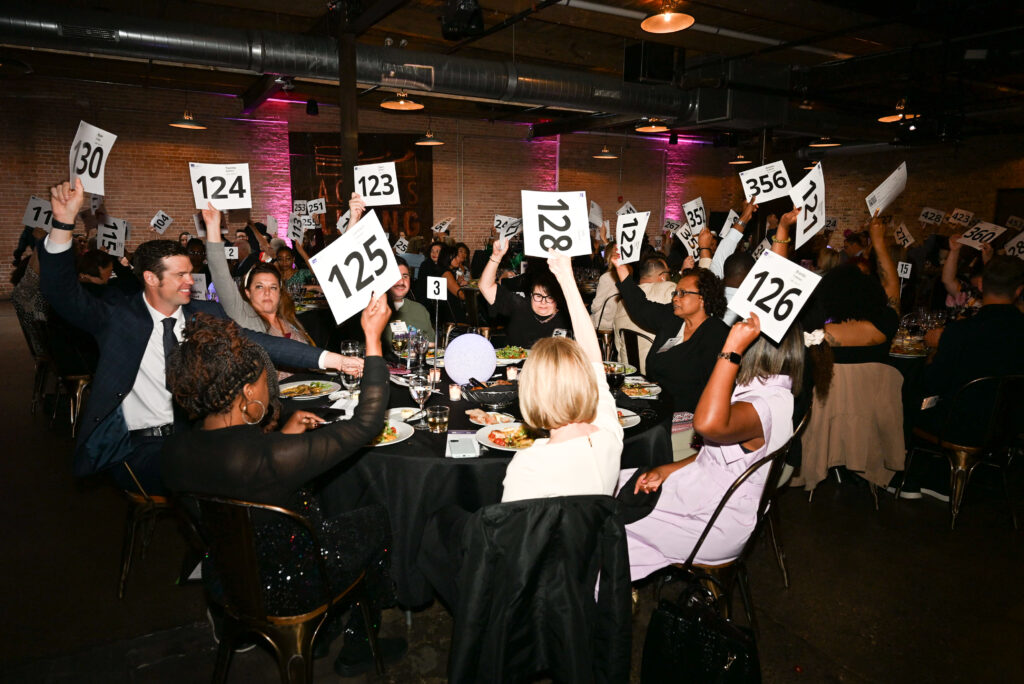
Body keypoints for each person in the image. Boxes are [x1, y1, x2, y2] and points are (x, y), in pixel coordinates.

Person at [37, 180, 360, 495]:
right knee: (248, 472)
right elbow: (62, 293)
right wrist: (64, 222)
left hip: (196, 438)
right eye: (180, 275)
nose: (190, 281)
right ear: (151, 278)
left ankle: (246, 537)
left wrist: (334, 360)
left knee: (268, 460)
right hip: (139, 447)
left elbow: (256, 340)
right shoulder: (118, 317)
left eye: (190, 272)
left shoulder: (203, 313)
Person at [161, 302, 407, 676]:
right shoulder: (270, 457)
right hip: (293, 585)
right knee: (373, 518)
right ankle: (358, 640)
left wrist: (281, 437)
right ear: (246, 394)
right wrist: (373, 337)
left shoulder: (174, 451)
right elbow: (367, 424)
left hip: (227, 580)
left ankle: (323, 634)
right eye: (265, 381)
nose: (270, 387)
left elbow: (242, 464)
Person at [619, 313, 802, 578]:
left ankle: (596, 594)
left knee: (600, 511)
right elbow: (719, 456)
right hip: (708, 497)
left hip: (713, 525)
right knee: (616, 483)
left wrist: (731, 350)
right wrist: (669, 469)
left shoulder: (762, 406)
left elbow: (705, 425)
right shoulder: (770, 391)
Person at [897, 256, 1024, 499]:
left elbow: (933, 383)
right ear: (1018, 290)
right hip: (1008, 425)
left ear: (980, 285)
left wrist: (935, 350)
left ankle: (909, 478)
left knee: (905, 394)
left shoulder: (961, 331)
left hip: (957, 425)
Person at [501, 251, 624, 501]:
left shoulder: (529, 464)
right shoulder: (610, 434)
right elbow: (594, 360)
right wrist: (566, 278)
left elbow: (512, 538)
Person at [613, 254, 729, 459]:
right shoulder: (673, 319)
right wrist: (622, 270)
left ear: (703, 298)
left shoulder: (716, 334)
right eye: (675, 292)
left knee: (631, 441)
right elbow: (641, 307)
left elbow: (717, 392)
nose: (675, 298)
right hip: (655, 407)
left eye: (683, 293)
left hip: (688, 419)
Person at [204, 208, 313, 346]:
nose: (267, 292)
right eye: (259, 286)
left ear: (280, 292)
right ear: (248, 292)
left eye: (273, 287)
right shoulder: (245, 318)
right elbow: (221, 276)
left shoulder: (289, 320)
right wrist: (213, 227)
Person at [479, 238, 572, 348]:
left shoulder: (567, 319)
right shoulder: (520, 306)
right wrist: (496, 257)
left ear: (557, 299)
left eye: (549, 297)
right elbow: (485, 286)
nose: (543, 302)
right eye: (538, 296)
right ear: (531, 295)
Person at [613, 256, 675, 373]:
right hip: (660, 373)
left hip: (628, 372)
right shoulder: (669, 289)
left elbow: (618, 345)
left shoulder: (623, 301)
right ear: (663, 276)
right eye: (669, 273)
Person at [383, 257, 435, 347]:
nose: (401, 281)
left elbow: (432, 346)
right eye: (396, 276)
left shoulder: (420, 310)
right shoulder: (374, 310)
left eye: (405, 276)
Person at [589, 243, 621, 332]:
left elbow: (595, 306)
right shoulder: (627, 274)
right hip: (619, 320)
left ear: (607, 256)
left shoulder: (607, 277)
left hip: (605, 322)